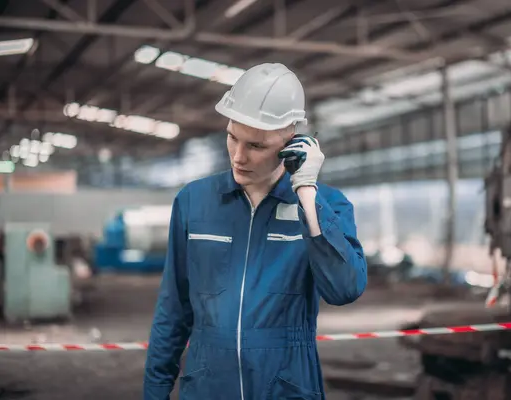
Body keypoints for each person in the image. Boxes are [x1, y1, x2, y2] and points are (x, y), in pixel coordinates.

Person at [143, 63, 368, 400]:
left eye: (257, 146)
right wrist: (155, 391)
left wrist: (307, 191)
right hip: (208, 386)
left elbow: (344, 288)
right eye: (232, 137)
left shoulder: (327, 206)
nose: (238, 156)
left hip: (286, 387)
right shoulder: (194, 202)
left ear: (292, 141)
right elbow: (173, 310)